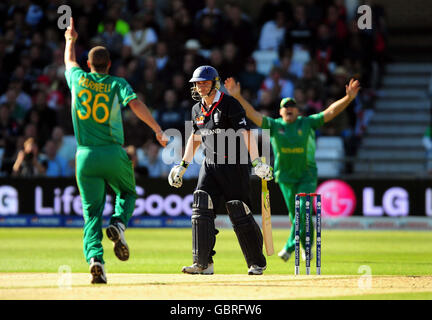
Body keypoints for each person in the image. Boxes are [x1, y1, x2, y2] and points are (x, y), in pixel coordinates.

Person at [63, 18, 166, 284]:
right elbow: (135, 105)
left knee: (91, 213)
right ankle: (119, 224)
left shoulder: (77, 78)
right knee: (128, 192)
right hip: (112, 152)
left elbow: (68, 62)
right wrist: (156, 128)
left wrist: (69, 40)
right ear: (109, 65)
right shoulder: (116, 83)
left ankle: (96, 260)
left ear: (89, 64)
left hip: (84, 156)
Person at [224, 76, 360, 263]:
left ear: (298, 110)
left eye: (292, 106)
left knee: (302, 210)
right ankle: (307, 248)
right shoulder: (274, 125)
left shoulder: (306, 123)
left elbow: (330, 112)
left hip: (306, 174)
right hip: (285, 176)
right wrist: (237, 97)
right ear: (280, 111)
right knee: (297, 216)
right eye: (286, 107)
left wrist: (349, 98)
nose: (289, 109)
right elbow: (252, 114)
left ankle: (289, 246)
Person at [168, 65, 273, 275]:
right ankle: (203, 263)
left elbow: (245, 133)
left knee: (239, 211)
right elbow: (195, 138)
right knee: (201, 207)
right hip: (210, 164)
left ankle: (256, 263)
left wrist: (257, 162)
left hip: (235, 164)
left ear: (215, 83)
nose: (200, 86)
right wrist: (182, 165)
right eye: (197, 83)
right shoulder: (197, 109)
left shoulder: (229, 104)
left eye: (205, 82)